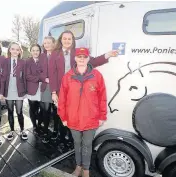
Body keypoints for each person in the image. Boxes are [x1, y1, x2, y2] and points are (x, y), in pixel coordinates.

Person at [48, 30, 117, 146]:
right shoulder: (55, 54)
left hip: (75, 90)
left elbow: (93, 61)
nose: (67, 41)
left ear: (73, 40)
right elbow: (52, 74)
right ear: (61, 39)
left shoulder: (77, 52)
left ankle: (71, 139)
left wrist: (108, 55)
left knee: (73, 113)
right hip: (61, 90)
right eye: (64, 38)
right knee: (61, 115)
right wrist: (54, 92)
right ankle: (62, 138)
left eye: (69, 39)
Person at [58, 47, 107, 177]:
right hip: (73, 118)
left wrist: (102, 116)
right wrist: (63, 116)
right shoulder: (67, 76)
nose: (81, 59)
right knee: (77, 144)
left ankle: (86, 169)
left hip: (91, 118)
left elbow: (102, 97)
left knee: (87, 145)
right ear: (75, 58)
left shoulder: (97, 76)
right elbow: (62, 98)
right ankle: (78, 167)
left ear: (88, 58)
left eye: (84, 57)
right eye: (79, 57)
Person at [0, 42, 27, 140]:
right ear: (10, 50)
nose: (15, 51)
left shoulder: (23, 62)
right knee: (10, 111)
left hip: (19, 90)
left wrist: (26, 91)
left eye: (17, 49)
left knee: (19, 111)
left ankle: (22, 130)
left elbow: (25, 77)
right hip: (9, 89)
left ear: (20, 51)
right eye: (13, 49)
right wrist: (1, 92)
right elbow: (2, 78)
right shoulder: (5, 61)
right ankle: (11, 131)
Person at [39, 36, 56, 143]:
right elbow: (38, 71)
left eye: (49, 43)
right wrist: (44, 78)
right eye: (45, 43)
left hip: (56, 86)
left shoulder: (59, 55)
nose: (46, 45)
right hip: (45, 86)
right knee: (45, 110)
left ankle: (55, 130)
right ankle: (45, 131)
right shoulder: (41, 56)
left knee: (56, 110)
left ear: (53, 43)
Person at [26, 44, 44, 135]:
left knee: (43, 108)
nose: (35, 52)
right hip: (32, 89)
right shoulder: (27, 62)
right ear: (31, 51)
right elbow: (28, 76)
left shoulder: (43, 61)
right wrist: (40, 78)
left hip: (42, 89)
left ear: (40, 51)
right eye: (33, 50)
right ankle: (34, 126)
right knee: (33, 109)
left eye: (37, 50)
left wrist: (41, 77)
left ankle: (40, 124)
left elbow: (45, 73)